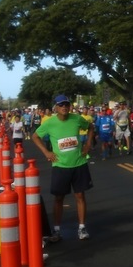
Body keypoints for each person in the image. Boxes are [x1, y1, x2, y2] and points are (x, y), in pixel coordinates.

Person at [32, 95, 94, 241]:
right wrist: (46, 152)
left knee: (80, 196)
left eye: (67, 104)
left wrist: (87, 144)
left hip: (79, 163)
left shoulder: (77, 118)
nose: (64, 107)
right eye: (61, 105)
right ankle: (57, 230)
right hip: (60, 166)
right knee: (59, 198)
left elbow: (90, 127)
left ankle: (82, 227)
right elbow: (35, 136)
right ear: (56, 108)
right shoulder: (50, 122)